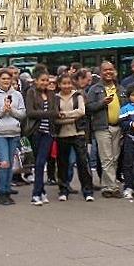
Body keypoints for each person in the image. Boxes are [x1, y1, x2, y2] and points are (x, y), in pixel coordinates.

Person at [0, 68, 26, 205]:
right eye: (3, 78)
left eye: (8, 79)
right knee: (4, 163)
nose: (6, 81)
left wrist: (12, 110)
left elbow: (22, 114)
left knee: (10, 164)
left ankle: (7, 190)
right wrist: (3, 110)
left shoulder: (17, 95)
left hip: (14, 132)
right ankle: (2, 193)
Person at [86, 61, 124, 197]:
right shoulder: (94, 89)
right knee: (106, 158)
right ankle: (112, 187)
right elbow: (88, 107)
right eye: (105, 70)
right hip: (102, 127)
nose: (108, 72)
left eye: (110, 70)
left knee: (114, 158)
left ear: (114, 71)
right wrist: (102, 103)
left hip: (118, 127)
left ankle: (106, 186)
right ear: (101, 73)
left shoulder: (120, 89)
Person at [54, 72, 93, 202]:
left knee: (83, 162)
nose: (67, 86)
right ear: (59, 84)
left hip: (78, 134)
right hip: (62, 135)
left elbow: (81, 112)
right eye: (64, 83)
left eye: (69, 83)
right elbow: (55, 118)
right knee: (63, 163)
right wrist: (71, 117)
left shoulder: (78, 96)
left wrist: (64, 115)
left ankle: (87, 191)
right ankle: (63, 190)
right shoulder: (55, 98)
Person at [24, 69, 58, 206]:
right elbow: (30, 112)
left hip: (48, 133)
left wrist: (50, 113)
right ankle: (41, 191)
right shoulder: (31, 92)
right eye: (42, 80)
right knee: (38, 162)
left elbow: (55, 112)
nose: (45, 83)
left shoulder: (51, 94)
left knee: (40, 162)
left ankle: (36, 193)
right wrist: (49, 113)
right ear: (36, 80)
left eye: (47, 80)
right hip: (35, 132)